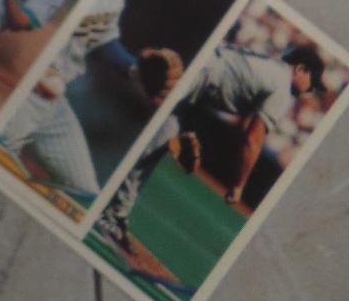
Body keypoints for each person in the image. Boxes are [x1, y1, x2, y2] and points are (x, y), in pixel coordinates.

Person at [96, 44, 327, 250]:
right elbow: (253, 140)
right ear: (300, 69)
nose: (310, 90)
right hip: (199, 75)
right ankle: (101, 48)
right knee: (134, 85)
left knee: (151, 138)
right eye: (312, 82)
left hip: (202, 73)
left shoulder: (272, 67)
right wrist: (238, 185)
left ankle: (115, 215)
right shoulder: (284, 87)